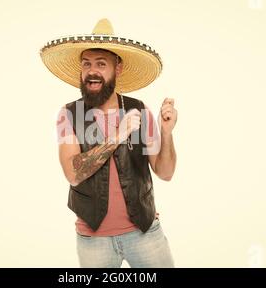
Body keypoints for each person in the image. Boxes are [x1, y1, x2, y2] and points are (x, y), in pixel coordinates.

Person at [40, 19, 178, 268]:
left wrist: (166, 133)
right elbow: (73, 173)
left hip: (145, 233)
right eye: (86, 64)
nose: (92, 71)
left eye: (101, 64)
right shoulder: (69, 114)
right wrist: (117, 135)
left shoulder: (139, 110)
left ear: (118, 68)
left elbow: (165, 173)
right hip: (93, 241)